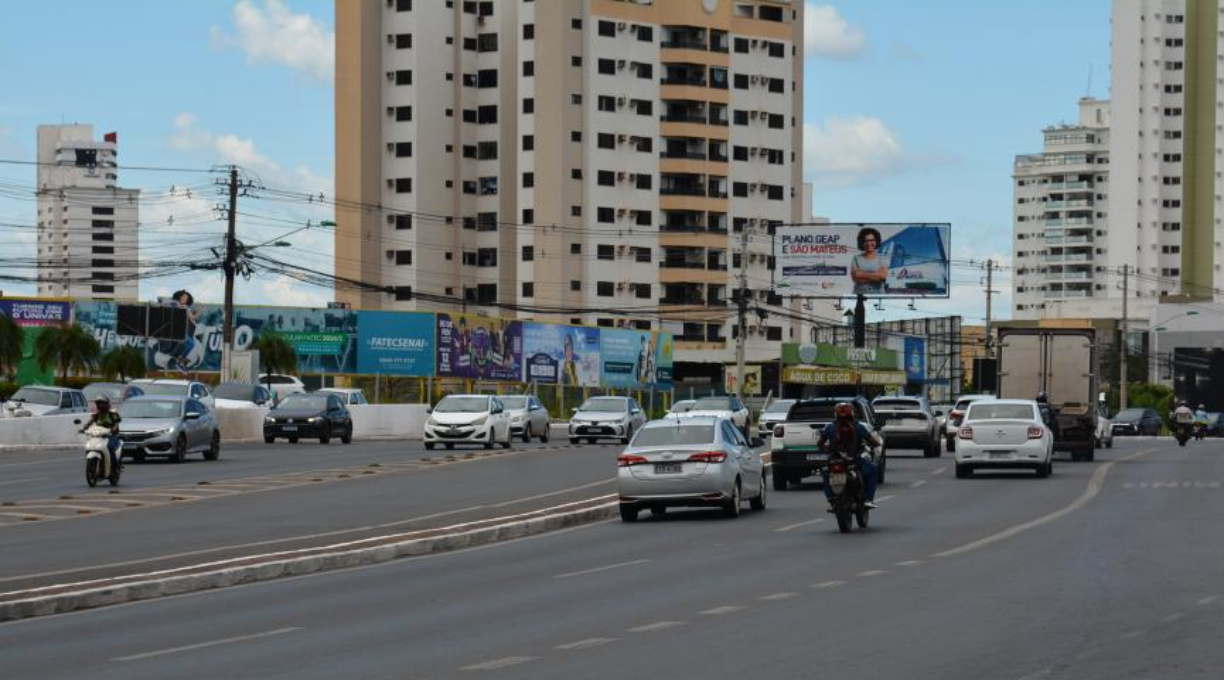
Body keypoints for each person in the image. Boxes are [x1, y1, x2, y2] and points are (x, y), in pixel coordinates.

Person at [817, 402, 880, 511]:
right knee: (873, 471)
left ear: (835, 414)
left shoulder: (830, 427)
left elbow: (819, 444)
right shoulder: (859, 427)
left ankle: (831, 499)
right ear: (852, 413)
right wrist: (875, 445)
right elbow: (872, 442)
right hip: (854, 460)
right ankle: (868, 499)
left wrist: (826, 449)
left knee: (826, 475)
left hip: (834, 459)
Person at [79, 396, 122, 473]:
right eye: (98, 403)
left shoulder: (112, 413)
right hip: (99, 436)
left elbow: (116, 424)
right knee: (91, 445)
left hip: (111, 436)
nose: (100, 405)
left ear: (106, 404)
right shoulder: (97, 414)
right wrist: (83, 428)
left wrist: (113, 429)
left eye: (102, 403)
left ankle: (114, 467)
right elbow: (90, 422)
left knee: (110, 447)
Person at [849, 227, 888, 295]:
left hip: (879, 296)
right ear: (862, 242)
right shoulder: (856, 258)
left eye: (871, 240)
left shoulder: (882, 258)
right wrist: (876, 275)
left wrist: (861, 274)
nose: (869, 243)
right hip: (860, 296)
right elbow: (855, 279)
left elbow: (882, 277)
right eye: (866, 241)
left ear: (876, 241)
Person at [170, 290, 199, 374]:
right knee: (191, 343)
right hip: (176, 330)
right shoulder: (176, 304)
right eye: (184, 297)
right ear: (180, 297)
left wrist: (200, 311)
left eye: (186, 298)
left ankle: (181, 361)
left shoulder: (186, 308)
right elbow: (172, 304)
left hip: (182, 331)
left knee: (191, 344)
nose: (185, 299)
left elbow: (192, 318)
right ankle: (179, 360)